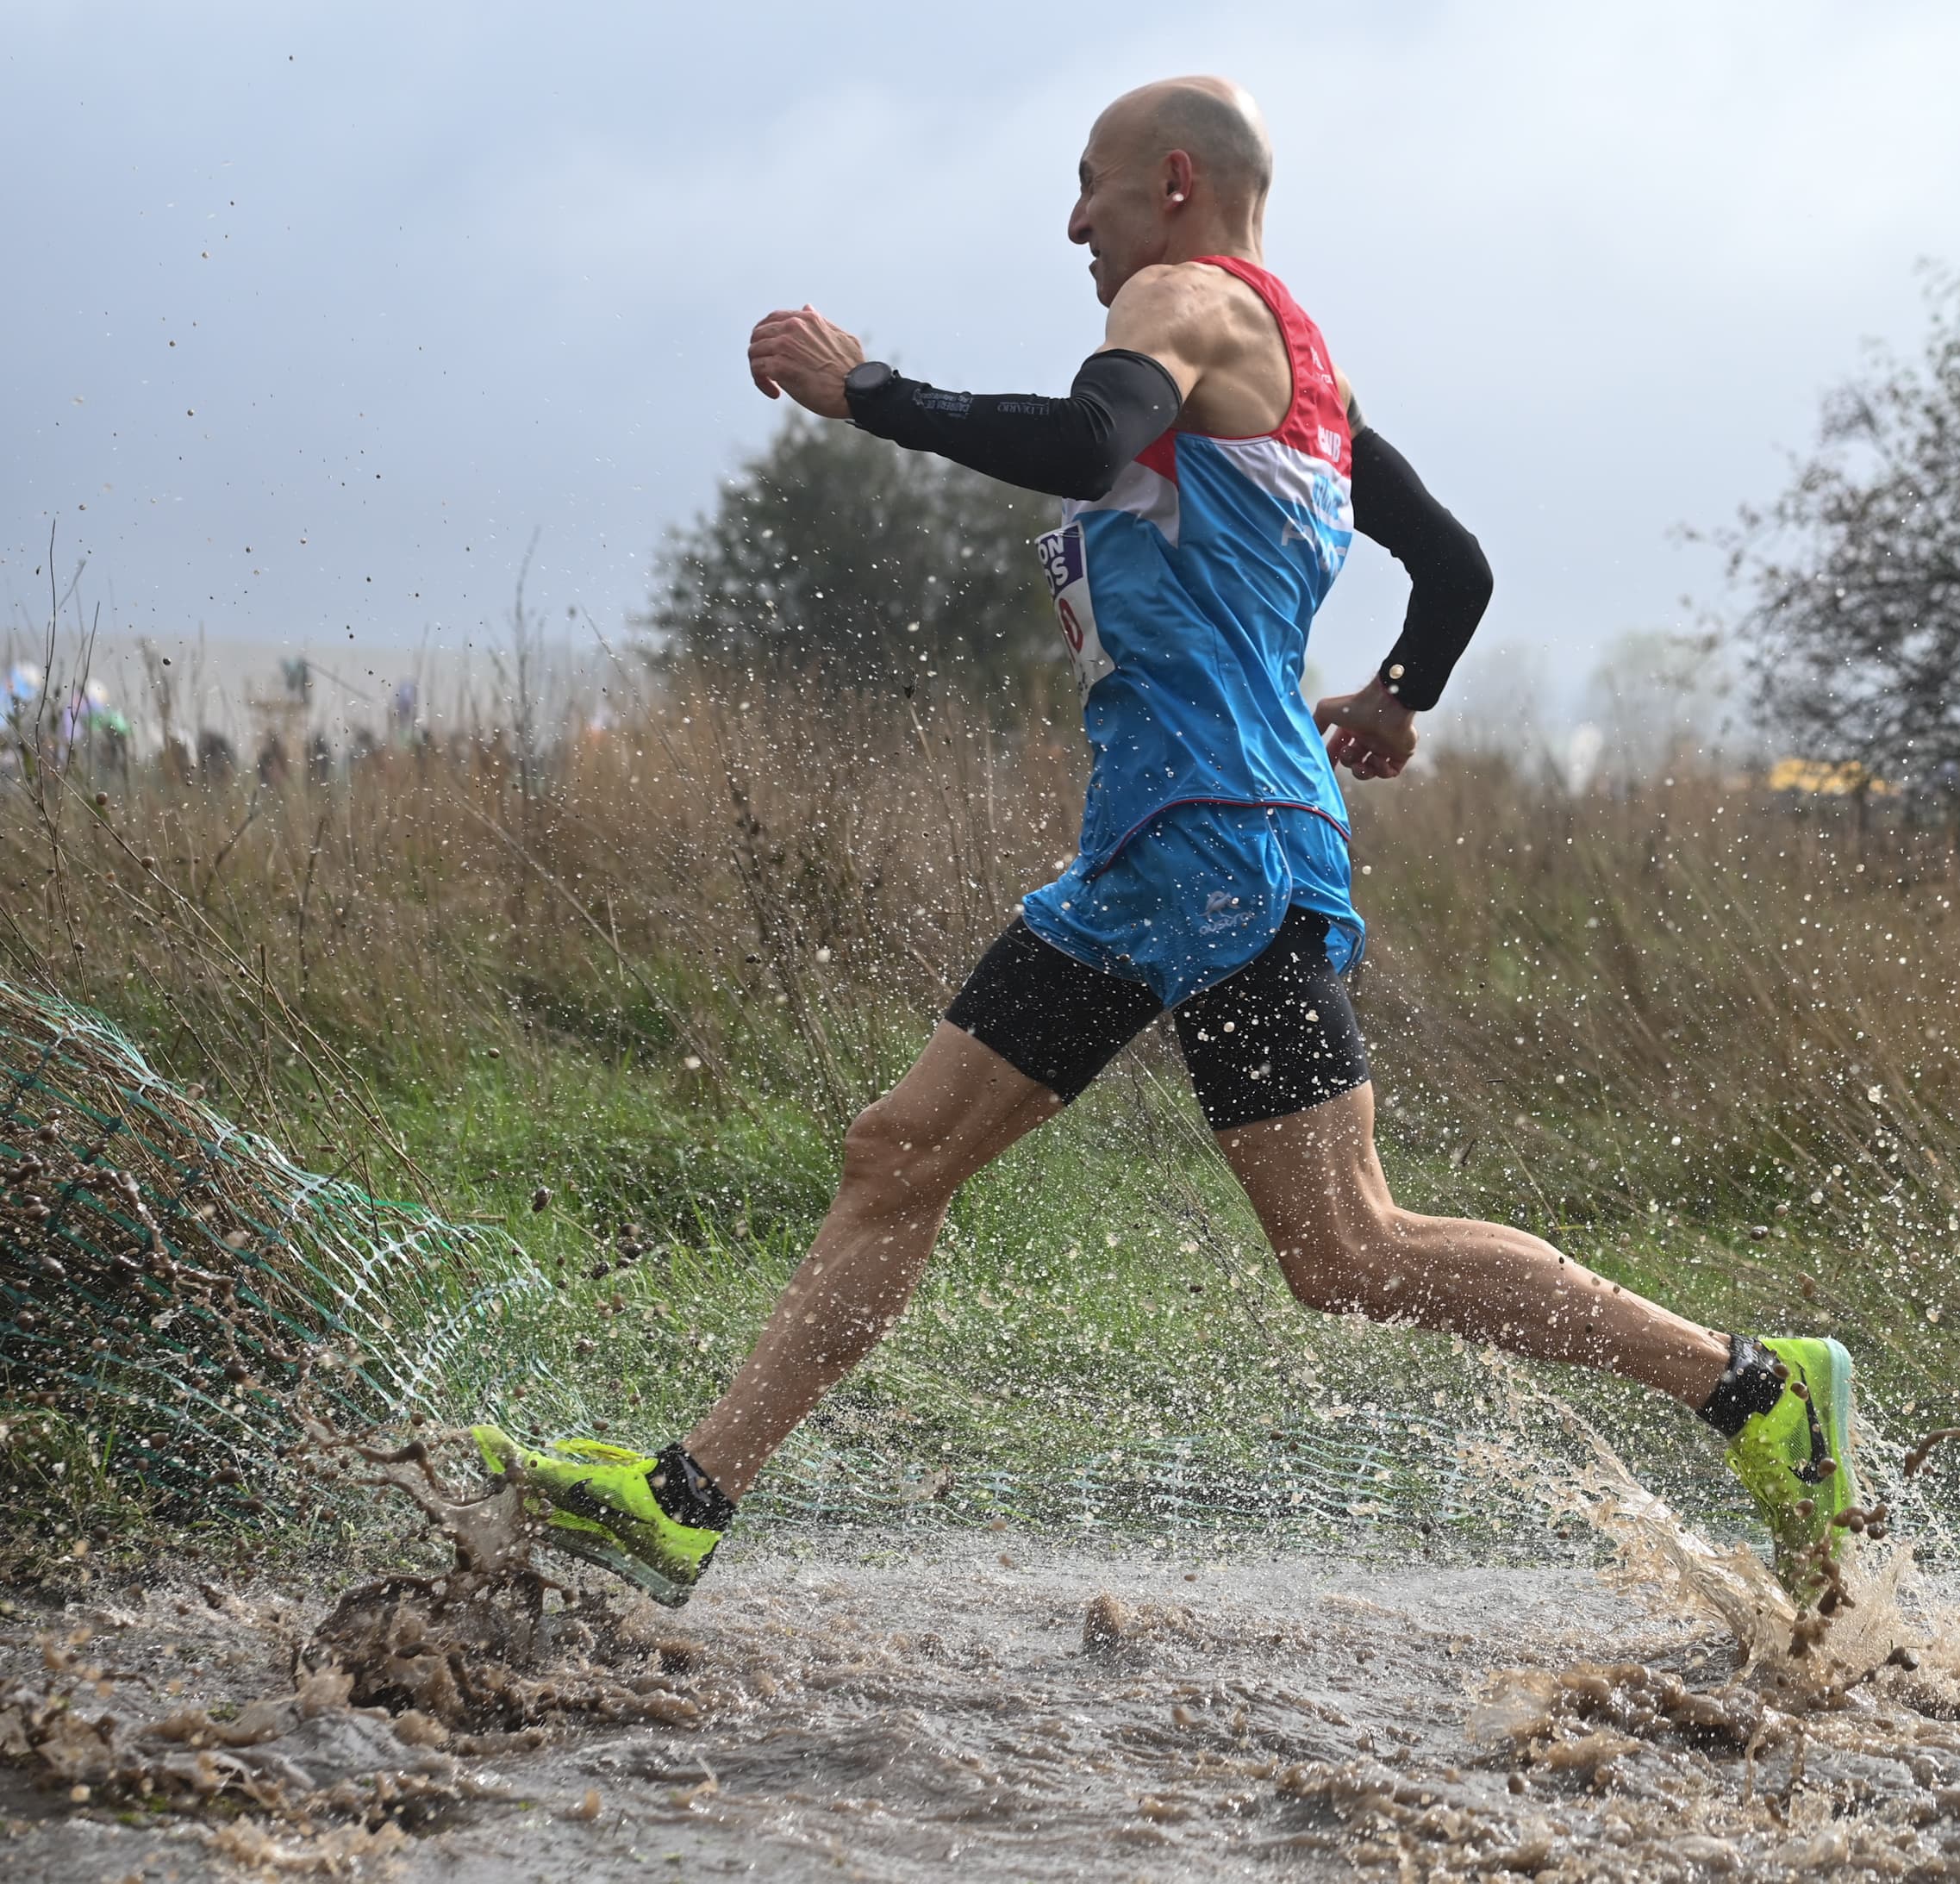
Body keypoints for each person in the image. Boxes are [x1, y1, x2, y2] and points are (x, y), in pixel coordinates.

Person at [476, 77, 1858, 1612]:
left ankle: (1751, 1387)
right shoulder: (1304, 371)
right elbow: (1453, 567)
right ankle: (686, 1498)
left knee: (1347, 1250)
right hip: (1169, 850)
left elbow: (1085, 442)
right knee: (908, 1156)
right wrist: (1397, 698)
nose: (1077, 221)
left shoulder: (1182, 300)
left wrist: (865, 392)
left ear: (1176, 183)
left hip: (1214, 843)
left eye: (1093, 187)